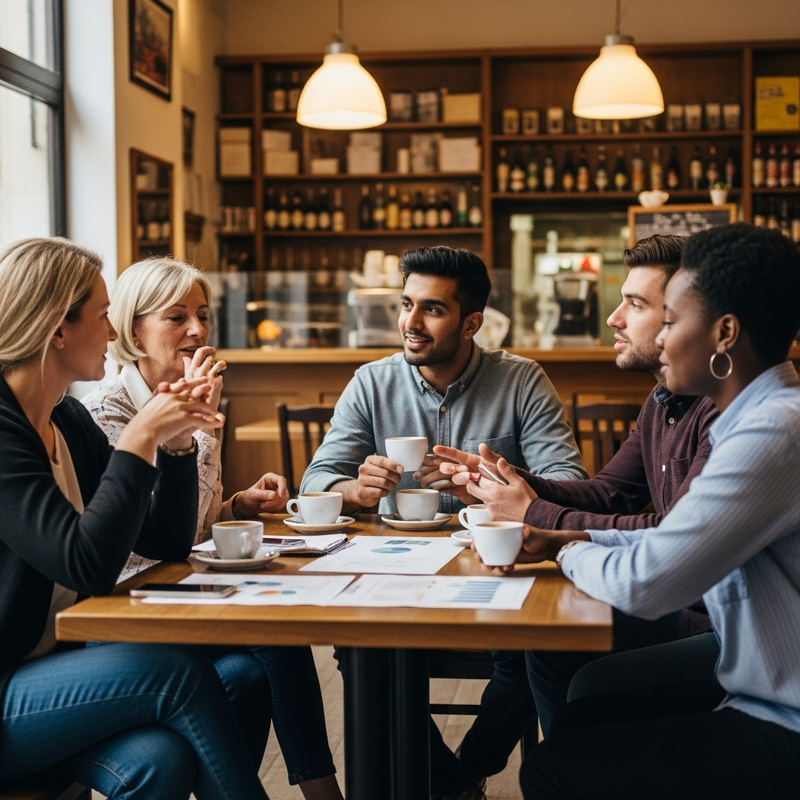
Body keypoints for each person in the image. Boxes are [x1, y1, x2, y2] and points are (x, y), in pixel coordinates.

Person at [508, 223, 800, 799]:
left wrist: (565, 546)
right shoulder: (756, 417)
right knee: (574, 723)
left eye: (669, 321)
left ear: (724, 334)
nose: (659, 339)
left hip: (783, 711)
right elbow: (670, 540)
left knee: (553, 766)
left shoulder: (772, 434)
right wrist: (570, 538)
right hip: (759, 678)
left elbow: (648, 583)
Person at [300, 245, 587, 800]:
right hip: (396, 575)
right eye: (406, 305)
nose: (409, 323)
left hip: (497, 571)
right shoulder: (371, 382)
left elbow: (567, 479)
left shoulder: (521, 380)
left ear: (471, 322)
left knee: (531, 656)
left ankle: (466, 769)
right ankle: (453, 786)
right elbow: (317, 479)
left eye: (431, 309)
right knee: (361, 653)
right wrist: (353, 491)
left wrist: (492, 481)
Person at [0, 237, 269, 799]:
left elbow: (163, 542)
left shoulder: (67, 420)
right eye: (102, 316)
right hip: (9, 685)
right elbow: (87, 566)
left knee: (160, 758)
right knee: (173, 672)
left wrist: (173, 447)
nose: (114, 333)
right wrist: (143, 433)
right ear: (56, 328)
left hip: (54, 666)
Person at [436, 235, 720, 768]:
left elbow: (671, 533)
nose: (614, 318)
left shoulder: (719, 410)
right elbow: (608, 491)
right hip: (665, 596)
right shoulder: (663, 400)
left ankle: (572, 771)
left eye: (635, 304)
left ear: (686, 317)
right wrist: (508, 478)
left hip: (707, 617)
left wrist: (533, 514)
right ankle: (572, 772)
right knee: (547, 646)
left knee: (571, 664)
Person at [81, 257, 344, 800]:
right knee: (275, 634)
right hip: (128, 603)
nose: (197, 330)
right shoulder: (105, 415)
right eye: (176, 317)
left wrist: (236, 505)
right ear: (133, 329)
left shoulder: (194, 395)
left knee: (247, 672)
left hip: (185, 590)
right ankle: (324, 793)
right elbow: (142, 537)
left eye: (203, 315)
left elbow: (188, 525)